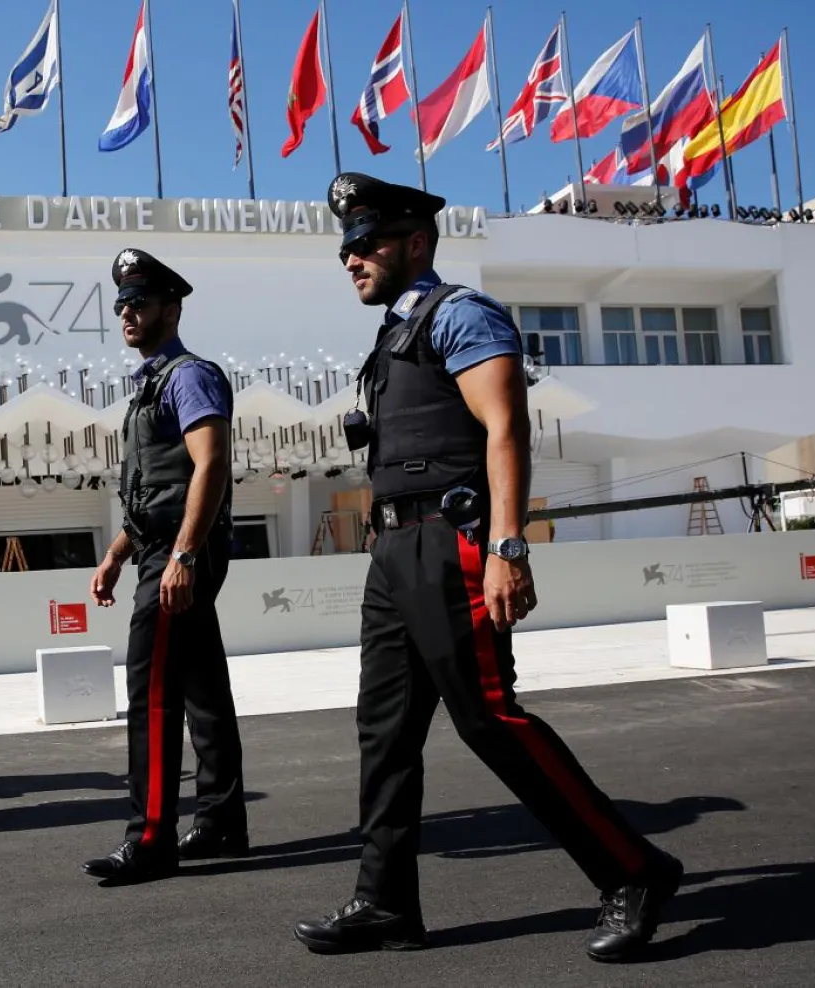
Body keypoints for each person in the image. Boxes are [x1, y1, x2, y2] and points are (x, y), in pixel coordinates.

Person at [292, 174, 683, 961]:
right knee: (385, 732)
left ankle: (635, 870)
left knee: (490, 719)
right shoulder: (392, 335)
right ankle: (385, 902)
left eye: (366, 243)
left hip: (453, 543)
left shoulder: (459, 314)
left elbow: (506, 430)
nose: (352, 259)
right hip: (395, 550)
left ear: (415, 243)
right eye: (346, 248)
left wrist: (508, 545)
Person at [82, 248, 247, 885]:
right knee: (203, 691)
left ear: (171, 309)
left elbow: (211, 466)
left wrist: (180, 556)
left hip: (182, 556)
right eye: (121, 303)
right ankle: (221, 822)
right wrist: (116, 555)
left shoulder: (188, 375)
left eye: (139, 302)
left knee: (152, 693)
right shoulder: (150, 384)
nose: (127, 312)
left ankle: (150, 838)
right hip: (161, 551)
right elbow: (157, 489)